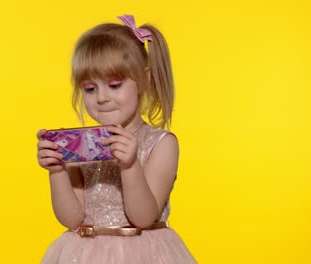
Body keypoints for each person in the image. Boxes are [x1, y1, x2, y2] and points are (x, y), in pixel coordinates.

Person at [36, 14, 196, 263]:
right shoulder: (83, 146)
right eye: (90, 89)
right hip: (84, 254)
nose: (101, 98)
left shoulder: (161, 143)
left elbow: (143, 217)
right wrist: (56, 171)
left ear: (144, 80)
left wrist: (130, 165)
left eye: (114, 85)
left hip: (142, 254)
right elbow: (73, 219)